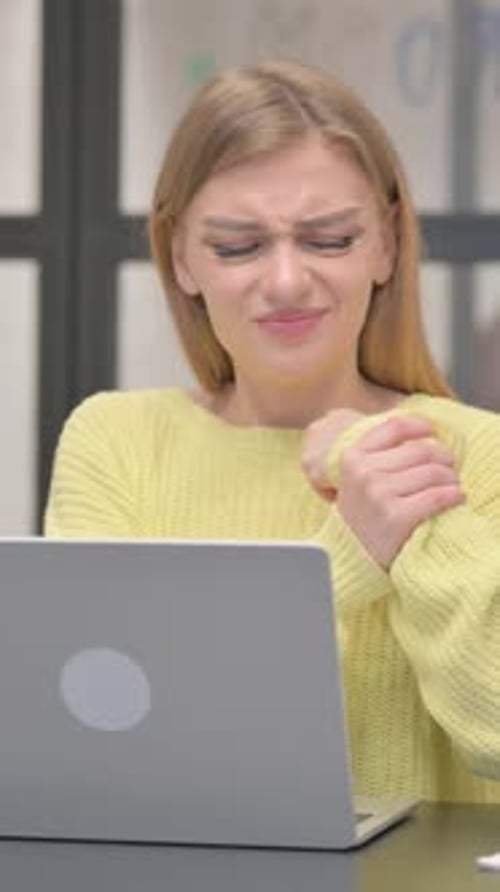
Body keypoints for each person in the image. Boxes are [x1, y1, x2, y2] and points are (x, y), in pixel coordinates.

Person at [44, 59, 500, 803]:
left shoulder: (476, 453)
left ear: (386, 244)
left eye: (328, 240)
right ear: (180, 256)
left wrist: (401, 498)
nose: (287, 282)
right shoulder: (117, 442)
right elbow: (103, 740)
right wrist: (348, 554)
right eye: (237, 246)